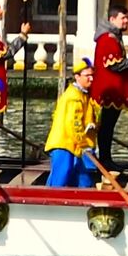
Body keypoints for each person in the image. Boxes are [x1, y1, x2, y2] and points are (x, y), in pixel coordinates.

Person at [90, 5, 128, 166]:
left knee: (108, 126)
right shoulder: (108, 40)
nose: (126, 21)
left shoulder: (115, 37)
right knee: (106, 126)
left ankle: (106, 158)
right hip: (109, 90)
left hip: (116, 89)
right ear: (112, 19)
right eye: (122, 18)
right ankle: (104, 159)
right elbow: (114, 65)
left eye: (126, 17)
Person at [44, 59, 100, 188]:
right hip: (64, 143)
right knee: (61, 175)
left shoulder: (84, 95)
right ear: (77, 77)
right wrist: (84, 145)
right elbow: (74, 125)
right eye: (87, 76)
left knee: (83, 177)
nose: (91, 79)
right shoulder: (73, 97)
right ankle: (51, 200)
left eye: (92, 75)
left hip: (76, 144)